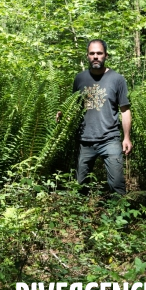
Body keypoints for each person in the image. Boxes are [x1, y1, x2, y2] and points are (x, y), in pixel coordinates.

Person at [57, 39, 132, 195]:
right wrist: (63, 114)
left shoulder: (117, 79)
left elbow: (125, 110)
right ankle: (80, 218)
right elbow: (75, 106)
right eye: (92, 53)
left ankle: (119, 216)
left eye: (99, 53)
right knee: (79, 186)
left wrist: (126, 137)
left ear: (106, 55)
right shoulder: (80, 79)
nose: (96, 56)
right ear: (87, 56)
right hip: (85, 140)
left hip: (110, 139)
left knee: (117, 185)